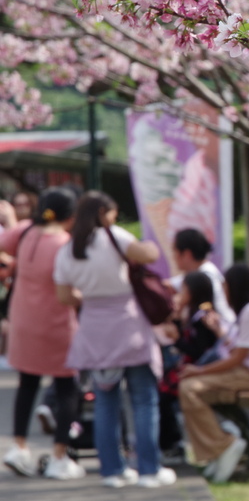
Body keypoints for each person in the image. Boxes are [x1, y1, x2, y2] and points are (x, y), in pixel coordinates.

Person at [54, 190, 177, 488]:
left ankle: (112, 470)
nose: (114, 217)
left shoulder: (67, 250)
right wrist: (148, 241)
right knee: (144, 400)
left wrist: (91, 297)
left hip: (95, 329)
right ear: (101, 213)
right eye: (112, 212)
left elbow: (65, 296)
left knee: (105, 402)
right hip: (128, 325)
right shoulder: (114, 237)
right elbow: (149, 255)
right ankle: (149, 469)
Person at [178, 262, 249, 483]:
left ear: (234, 287)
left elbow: (237, 358)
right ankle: (218, 449)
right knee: (189, 387)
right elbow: (239, 349)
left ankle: (224, 445)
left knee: (189, 388)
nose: (224, 292)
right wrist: (219, 330)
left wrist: (199, 370)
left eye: (226, 286)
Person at [0, 187, 84, 480]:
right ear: (70, 216)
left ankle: (18, 447)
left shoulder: (24, 231)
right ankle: (59, 456)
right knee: (67, 389)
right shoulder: (65, 243)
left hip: (23, 321)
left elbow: (4, 245)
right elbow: (73, 286)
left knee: (27, 384)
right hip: (58, 325)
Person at [157, 271, 223, 458]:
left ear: (193, 292)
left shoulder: (202, 317)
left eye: (183, 289)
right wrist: (176, 319)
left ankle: (170, 443)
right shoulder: (194, 313)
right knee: (161, 393)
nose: (180, 293)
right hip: (191, 366)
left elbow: (199, 352)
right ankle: (171, 441)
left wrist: (177, 340)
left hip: (198, 369)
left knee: (162, 396)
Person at [172, 228, 236, 327]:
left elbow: (208, 305)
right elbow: (169, 284)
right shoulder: (204, 271)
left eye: (174, 250)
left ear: (187, 254)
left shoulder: (205, 275)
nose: (173, 256)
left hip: (219, 333)